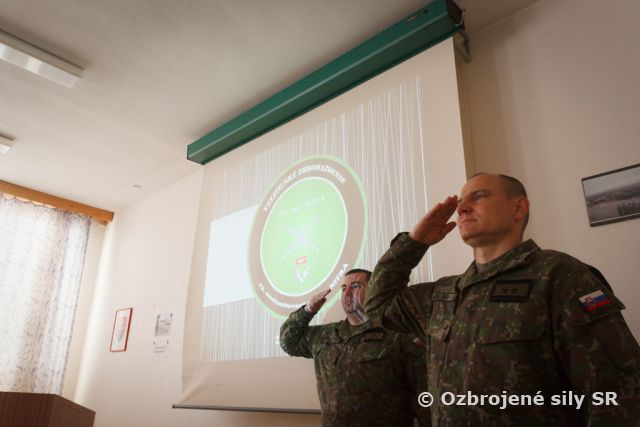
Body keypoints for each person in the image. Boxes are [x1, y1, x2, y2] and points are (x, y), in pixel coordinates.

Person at [365, 173, 640, 426]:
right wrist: (414, 243)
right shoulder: (444, 294)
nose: (462, 208)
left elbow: (617, 390)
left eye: (479, 196)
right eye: (460, 203)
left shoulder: (558, 276)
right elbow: (378, 305)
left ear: (518, 208)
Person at [280, 268, 429, 427]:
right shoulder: (325, 335)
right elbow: (288, 342)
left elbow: (425, 395)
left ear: (373, 291)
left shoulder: (397, 334)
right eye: (344, 288)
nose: (347, 293)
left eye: (356, 286)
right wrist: (308, 310)